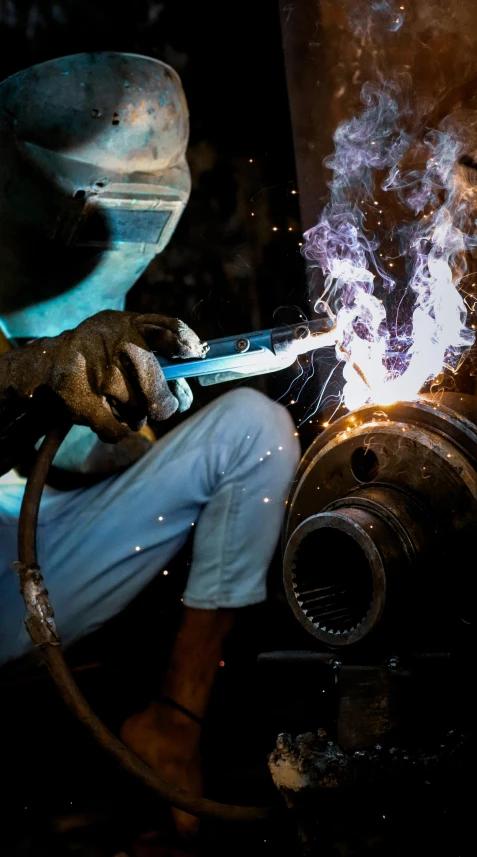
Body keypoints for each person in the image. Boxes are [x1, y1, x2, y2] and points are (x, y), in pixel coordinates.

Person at [0, 52, 300, 839]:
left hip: (63, 544)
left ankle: (173, 724)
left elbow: (85, 446)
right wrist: (37, 367)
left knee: (253, 432)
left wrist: (140, 398)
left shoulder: (105, 275)